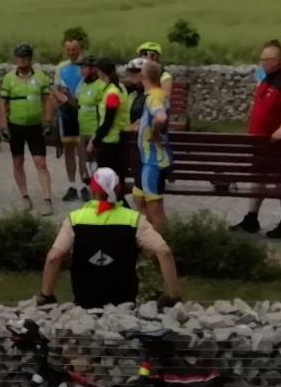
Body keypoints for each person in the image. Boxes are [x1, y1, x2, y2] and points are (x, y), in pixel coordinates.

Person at [38, 167, 182, 310]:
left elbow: (54, 257)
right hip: (125, 304)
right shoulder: (134, 219)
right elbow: (164, 252)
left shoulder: (75, 219)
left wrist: (47, 296)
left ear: (92, 191)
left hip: (85, 303)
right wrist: (173, 297)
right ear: (118, 191)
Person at [231, 41, 281, 238]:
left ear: (276, 61)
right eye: (261, 59)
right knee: (258, 180)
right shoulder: (268, 79)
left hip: (277, 144)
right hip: (260, 143)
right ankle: (251, 218)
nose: (261, 62)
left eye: (265, 59)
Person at [0, 43, 55, 215]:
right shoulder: (9, 78)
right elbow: (2, 103)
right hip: (15, 125)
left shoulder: (40, 77)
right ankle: (24, 197)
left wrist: (47, 121)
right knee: (18, 162)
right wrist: (3, 125)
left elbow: (47, 100)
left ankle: (47, 199)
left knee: (41, 162)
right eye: (19, 57)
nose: (22, 60)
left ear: (30, 58)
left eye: (25, 57)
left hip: (35, 125)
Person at [134, 59, 173, 232]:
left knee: (155, 207)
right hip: (149, 160)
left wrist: (155, 133)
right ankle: (150, 239)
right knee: (139, 198)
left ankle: (164, 244)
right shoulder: (155, 94)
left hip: (154, 161)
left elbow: (161, 117)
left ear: (143, 75)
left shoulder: (155, 96)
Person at [51, 38, 88, 201]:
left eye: (74, 49)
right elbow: (56, 89)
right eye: (68, 49)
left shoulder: (86, 66)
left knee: (83, 150)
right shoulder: (61, 67)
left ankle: (85, 184)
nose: (71, 52)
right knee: (68, 150)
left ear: (80, 49)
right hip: (66, 113)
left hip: (83, 112)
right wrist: (66, 102)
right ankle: (72, 185)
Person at [89, 59, 130, 182]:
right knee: (117, 178)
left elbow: (107, 122)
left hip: (110, 140)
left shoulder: (112, 93)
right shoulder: (120, 87)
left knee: (106, 180)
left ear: (100, 72)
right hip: (119, 137)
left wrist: (95, 141)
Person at [75, 55, 107, 182]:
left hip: (95, 130)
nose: (81, 71)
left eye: (84, 68)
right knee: (84, 163)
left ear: (93, 69)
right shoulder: (82, 85)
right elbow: (78, 104)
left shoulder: (101, 85)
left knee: (97, 163)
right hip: (82, 129)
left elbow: (103, 111)